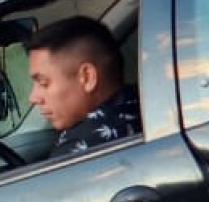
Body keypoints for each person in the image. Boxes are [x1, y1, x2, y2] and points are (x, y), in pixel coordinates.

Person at [26, 16, 141, 158]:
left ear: (87, 77)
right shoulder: (144, 107)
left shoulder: (82, 148)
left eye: (43, 83)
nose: (33, 98)